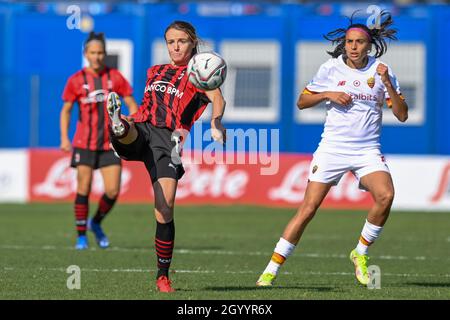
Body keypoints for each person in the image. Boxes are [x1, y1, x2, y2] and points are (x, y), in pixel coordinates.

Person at [256, 11, 408, 287]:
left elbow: (402, 114)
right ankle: (270, 270)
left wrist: (387, 85)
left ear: (369, 45)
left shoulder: (382, 72)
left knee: (386, 196)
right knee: (308, 209)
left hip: (367, 150)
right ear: (345, 43)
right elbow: (302, 101)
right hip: (332, 149)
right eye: (349, 41)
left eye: (359, 42)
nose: (353, 46)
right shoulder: (330, 69)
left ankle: (359, 253)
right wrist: (327, 94)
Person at [106, 21, 226, 292]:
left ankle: (163, 276)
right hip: (143, 127)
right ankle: (119, 128)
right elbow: (148, 105)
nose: (175, 46)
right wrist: (130, 120)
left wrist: (216, 123)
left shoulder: (198, 74)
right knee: (128, 129)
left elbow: (217, 99)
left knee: (165, 208)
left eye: (181, 41)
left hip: (168, 141)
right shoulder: (156, 70)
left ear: (193, 42)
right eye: (170, 41)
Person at [60, 32, 138, 250]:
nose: (97, 57)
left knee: (113, 191)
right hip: (84, 143)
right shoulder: (76, 80)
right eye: (93, 53)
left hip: (110, 145)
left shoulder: (115, 77)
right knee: (83, 188)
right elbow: (65, 111)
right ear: (86, 54)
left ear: (105, 53)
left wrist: (132, 122)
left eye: (100, 52)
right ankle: (81, 236)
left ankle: (96, 223)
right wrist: (64, 138)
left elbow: (132, 104)